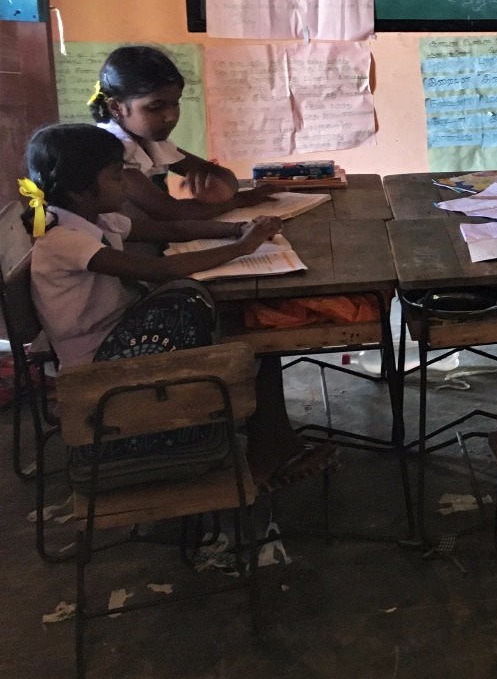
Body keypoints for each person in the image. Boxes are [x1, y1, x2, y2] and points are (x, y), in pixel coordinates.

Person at [21, 124, 334, 490]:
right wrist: (242, 248)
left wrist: (237, 230)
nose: (125, 183)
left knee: (241, 332)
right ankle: (266, 457)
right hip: (100, 368)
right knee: (228, 329)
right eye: (116, 175)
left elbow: (173, 229)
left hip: (121, 339)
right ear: (79, 190)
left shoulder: (95, 220)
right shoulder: (63, 240)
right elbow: (156, 268)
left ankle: (269, 449)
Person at [90, 45, 277, 218]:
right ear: (117, 107)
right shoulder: (110, 151)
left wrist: (218, 190)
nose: (171, 116)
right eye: (155, 107)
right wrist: (239, 200)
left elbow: (221, 175)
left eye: (175, 103)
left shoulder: (151, 141)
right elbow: (170, 212)